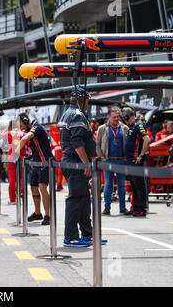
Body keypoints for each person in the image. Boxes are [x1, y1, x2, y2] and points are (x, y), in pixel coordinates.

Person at [58, 86, 105, 247]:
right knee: (76, 199)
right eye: (87, 99)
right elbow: (77, 143)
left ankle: (87, 234)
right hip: (76, 162)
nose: (88, 103)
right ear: (82, 99)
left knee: (83, 200)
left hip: (71, 161)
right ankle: (70, 237)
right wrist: (86, 163)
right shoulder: (78, 116)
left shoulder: (66, 113)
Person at [16, 113, 53, 226]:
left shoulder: (36, 126)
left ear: (26, 120)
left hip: (45, 162)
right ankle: (38, 213)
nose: (20, 127)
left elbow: (24, 139)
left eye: (21, 124)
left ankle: (48, 215)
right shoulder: (29, 129)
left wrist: (15, 152)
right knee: (33, 186)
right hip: (36, 163)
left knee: (42, 186)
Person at [96, 107, 129, 215]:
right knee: (108, 184)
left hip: (121, 160)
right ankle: (107, 207)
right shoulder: (102, 128)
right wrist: (102, 157)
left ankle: (122, 208)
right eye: (114, 117)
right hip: (108, 160)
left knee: (121, 185)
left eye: (117, 117)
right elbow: (98, 144)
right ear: (108, 117)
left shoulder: (125, 128)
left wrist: (126, 157)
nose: (116, 119)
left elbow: (128, 143)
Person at [122, 107, 151, 217]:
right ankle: (135, 207)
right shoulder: (132, 126)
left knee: (139, 185)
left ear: (126, 116)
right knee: (134, 185)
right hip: (130, 160)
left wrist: (141, 155)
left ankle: (141, 208)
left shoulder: (138, 124)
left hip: (136, 161)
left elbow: (146, 139)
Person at [1, 121, 26, 204]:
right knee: (22, 178)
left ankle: (12, 200)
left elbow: (2, 135)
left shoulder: (9, 133)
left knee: (12, 179)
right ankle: (21, 193)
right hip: (22, 158)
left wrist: (8, 128)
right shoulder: (23, 133)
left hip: (11, 158)